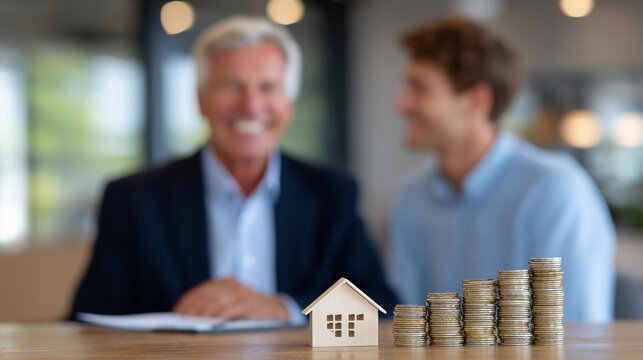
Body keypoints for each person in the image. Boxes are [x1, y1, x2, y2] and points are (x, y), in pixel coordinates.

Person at [71, 16, 396, 323]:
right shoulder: (134, 199)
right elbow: (89, 319)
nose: (251, 105)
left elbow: (380, 306)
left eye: (268, 87)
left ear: (289, 105)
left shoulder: (331, 194)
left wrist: (282, 308)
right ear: (200, 100)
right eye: (231, 85)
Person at [389, 17, 615, 322]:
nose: (402, 104)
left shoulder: (555, 190)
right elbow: (404, 320)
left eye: (420, 88)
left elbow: (579, 333)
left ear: (474, 100)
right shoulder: (411, 197)